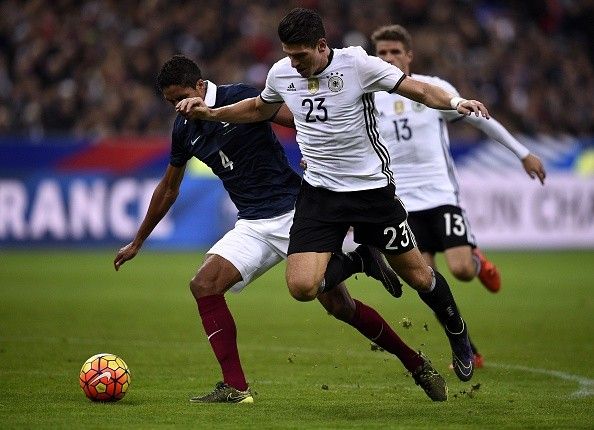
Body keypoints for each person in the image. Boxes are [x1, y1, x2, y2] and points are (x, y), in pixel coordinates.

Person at [176, 8, 491, 383]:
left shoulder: (357, 64)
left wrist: (456, 103)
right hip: (320, 195)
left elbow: (419, 89)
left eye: (300, 56)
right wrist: (213, 114)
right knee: (302, 287)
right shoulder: (282, 73)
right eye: (288, 55)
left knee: (421, 278)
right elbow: (261, 107)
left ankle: (458, 336)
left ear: (322, 46)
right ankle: (360, 259)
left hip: (371, 193)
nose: (293, 63)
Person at [114, 54, 448, 404]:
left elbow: (303, 120)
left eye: (180, 97)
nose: (177, 107)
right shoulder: (183, 128)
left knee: (340, 308)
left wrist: (318, 156)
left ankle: (415, 362)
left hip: (295, 213)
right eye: (170, 102)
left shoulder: (239, 97)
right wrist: (138, 241)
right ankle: (235, 387)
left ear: (199, 86)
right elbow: (169, 187)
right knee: (204, 284)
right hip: (253, 223)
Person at [370, 24, 547, 367]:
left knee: (462, 270)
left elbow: (479, 119)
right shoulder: (371, 96)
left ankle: (478, 262)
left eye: (395, 52)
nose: (389, 58)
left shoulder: (432, 89)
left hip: (440, 196)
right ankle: (469, 349)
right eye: (382, 53)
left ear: (409, 55)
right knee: (426, 283)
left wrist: (522, 152)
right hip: (401, 204)